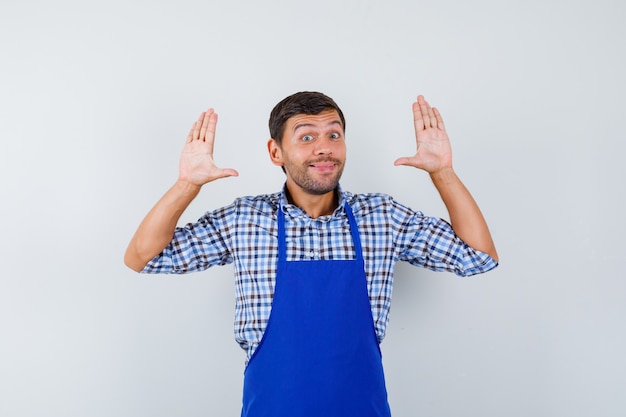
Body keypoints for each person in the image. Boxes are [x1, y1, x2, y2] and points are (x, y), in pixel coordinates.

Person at [124, 91, 499, 417]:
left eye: (334, 135)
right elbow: (143, 256)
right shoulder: (244, 220)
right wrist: (187, 184)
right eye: (306, 137)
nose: (324, 147)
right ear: (276, 152)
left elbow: (478, 255)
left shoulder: (383, 217)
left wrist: (443, 173)